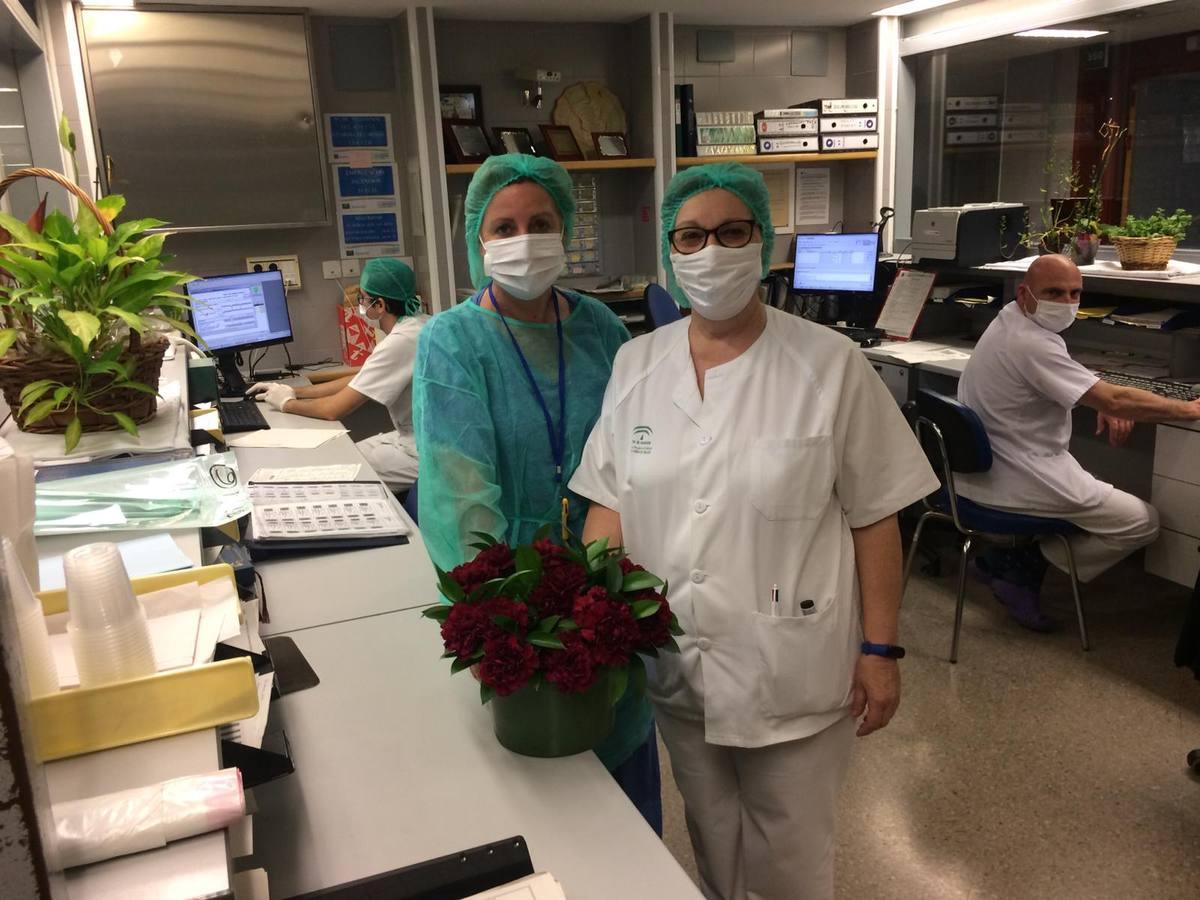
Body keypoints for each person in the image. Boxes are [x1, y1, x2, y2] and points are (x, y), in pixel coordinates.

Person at [568, 162, 939, 900]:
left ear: (763, 245)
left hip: (792, 663)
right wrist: (596, 617)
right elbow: (607, 500)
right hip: (679, 660)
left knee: (791, 859)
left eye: (732, 232)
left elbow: (876, 516)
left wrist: (880, 649)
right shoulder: (636, 364)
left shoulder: (828, 365)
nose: (712, 252)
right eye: (692, 236)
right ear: (672, 253)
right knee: (711, 839)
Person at [411, 154, 662, 832]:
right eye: (505, 226)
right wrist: (505, 619)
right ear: (479, 242)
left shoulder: (603, 332)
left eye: (541, 222)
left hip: (607, 588)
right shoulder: (454, 343)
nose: (524, 239)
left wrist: (609, 603)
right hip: (515, 612)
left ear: (566, 229)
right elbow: (462, 502)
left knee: (620, 785)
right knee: (543, 806)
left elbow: (636, 463)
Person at [955, 253, 1200, 630]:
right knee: (1141, 522)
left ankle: (1003, 562)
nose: (1066, 303)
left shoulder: (1009, 319)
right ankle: (1023, 568)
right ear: (1025, 293)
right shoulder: (1032, 342)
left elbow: (1070, 379)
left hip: (979, 469)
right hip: (1019, 474)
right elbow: (1114, 399)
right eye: (1054, 292)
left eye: (1075, 293)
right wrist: (1190, 409)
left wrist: (1096, 392)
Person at [247, 258, 428, 491]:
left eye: (363, 299)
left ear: (380, 305)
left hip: (423, 453)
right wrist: (297, 392)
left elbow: (333, 410)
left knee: (336, 473)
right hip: (414, 438)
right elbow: (360, 379)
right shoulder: (418, 325)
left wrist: (287, 404)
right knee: (344, 455)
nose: (360, 306)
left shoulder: (401, 342)